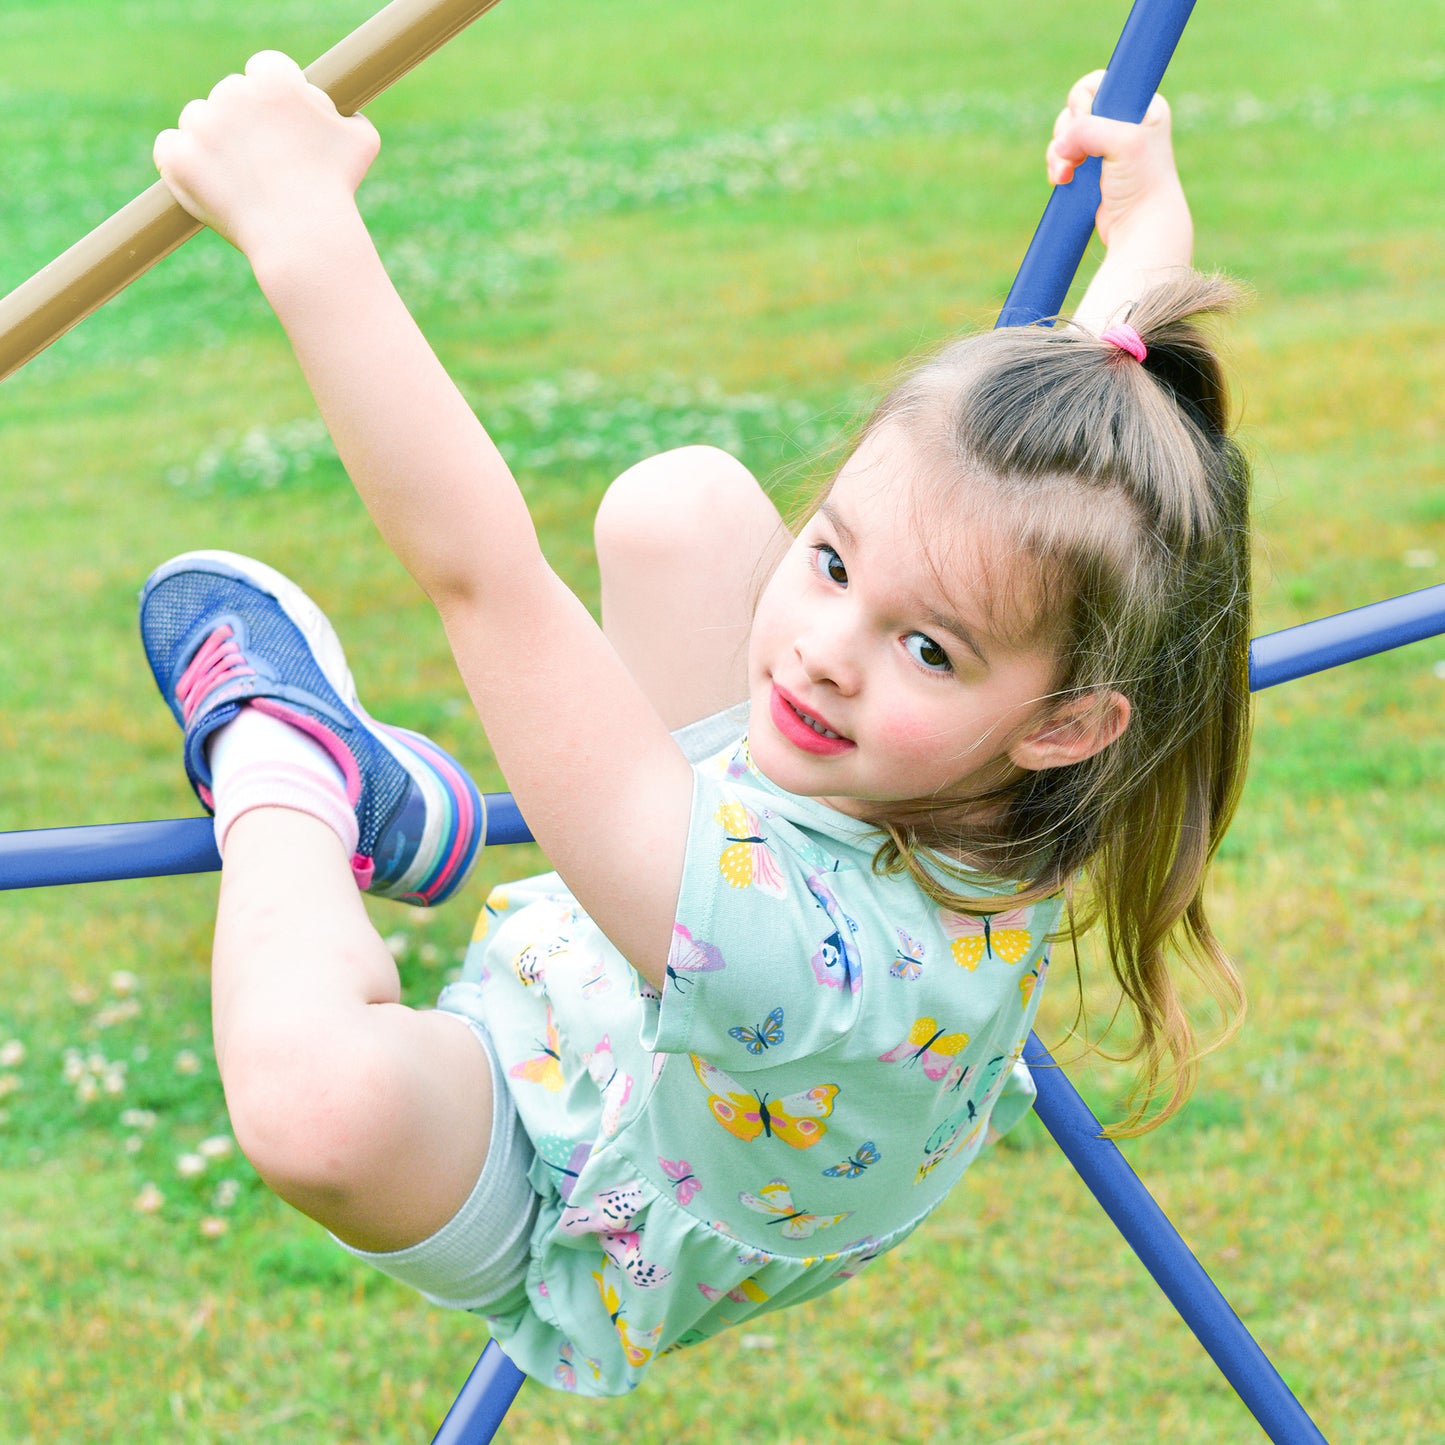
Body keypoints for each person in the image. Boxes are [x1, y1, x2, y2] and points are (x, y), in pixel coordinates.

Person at [141, 61, 1252, 1395]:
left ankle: (289, 764)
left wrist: (301, 230)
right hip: (710, 966)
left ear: (1068, 725)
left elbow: (482, 578)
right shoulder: (1027, 747)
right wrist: (1141, 235)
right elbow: (1101, 426)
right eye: (834, 558)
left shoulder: (803, 958)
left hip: (574, 1155)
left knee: (318, 1111)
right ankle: (441, 809)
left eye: (924, 646)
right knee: (679, 508)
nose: (823, 652)